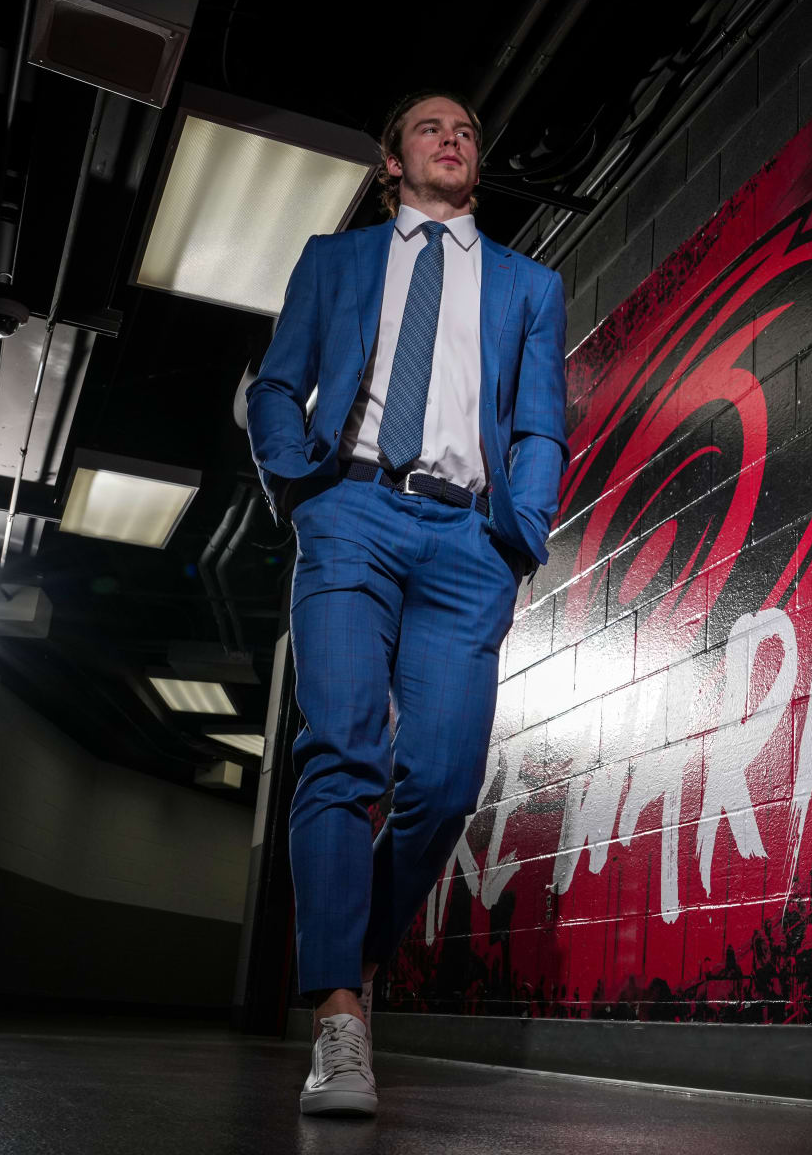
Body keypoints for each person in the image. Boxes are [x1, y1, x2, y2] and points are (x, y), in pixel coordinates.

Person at [245, 88, 568, 1117]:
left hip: (468, 540)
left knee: (441, 779)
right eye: (431, 128)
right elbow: (274, 384)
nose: (453, 138)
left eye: (466, 131)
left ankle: (358, 944)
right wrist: (300, 485)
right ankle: (341, 1018)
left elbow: (543, 424)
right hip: (353, 514)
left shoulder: (530, 285)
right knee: (341, 749)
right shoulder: (334, 263)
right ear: (393, 162)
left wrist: (520, 525)